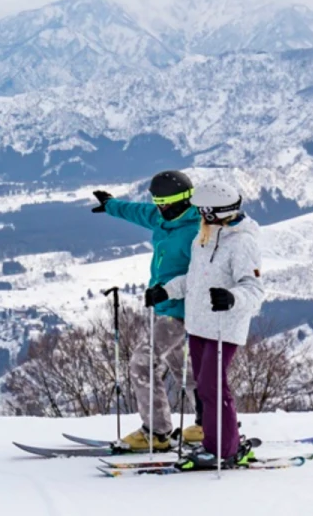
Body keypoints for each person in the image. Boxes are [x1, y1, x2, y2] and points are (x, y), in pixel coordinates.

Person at [144, 178, 265, 468]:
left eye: (200, 210)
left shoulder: (242, 243)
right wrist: (166, 289)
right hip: (198, 326)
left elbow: (254, 289)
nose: (196, 213)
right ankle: (220, 442)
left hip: (224, 327)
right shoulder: (204, 239)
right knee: (207, 387)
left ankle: (224, 450)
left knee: (212, 388)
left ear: (212, 212)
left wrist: (232, 298)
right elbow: (194, 280)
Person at [91, 170, 203, 451]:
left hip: (183, 310)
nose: (162, 208)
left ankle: (156, 432)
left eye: (167, 203)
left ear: (185, 200)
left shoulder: (197, 231)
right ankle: (208, 424)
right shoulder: (163, 218)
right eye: (158, 202)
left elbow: (204, 277)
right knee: (185, 370)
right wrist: (111, 205)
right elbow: (140, 212)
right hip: (164, 307)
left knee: (142, 362)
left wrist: (168, 291)